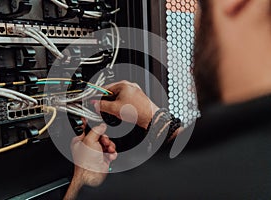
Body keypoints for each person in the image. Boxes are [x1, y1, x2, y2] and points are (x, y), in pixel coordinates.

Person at [64, 0, 271, 199]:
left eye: (199, 5)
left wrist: (84, 180)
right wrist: (155, 119)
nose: (195, 25)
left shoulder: (145, 191)